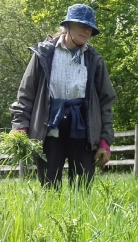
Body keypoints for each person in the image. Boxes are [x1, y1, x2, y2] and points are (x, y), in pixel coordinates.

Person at [10, 4, 115, 190]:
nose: (87, 30)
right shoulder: (44, 54)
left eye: (90, 27)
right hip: (48, 128)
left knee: (82, 188)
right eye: (82, 24)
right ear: (67, 26)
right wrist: (20, 126)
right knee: (49, 187)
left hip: (83, 129)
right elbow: (26, 94)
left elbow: (105, 103)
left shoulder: (94, 60)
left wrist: (105, 141)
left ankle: (81, 220)